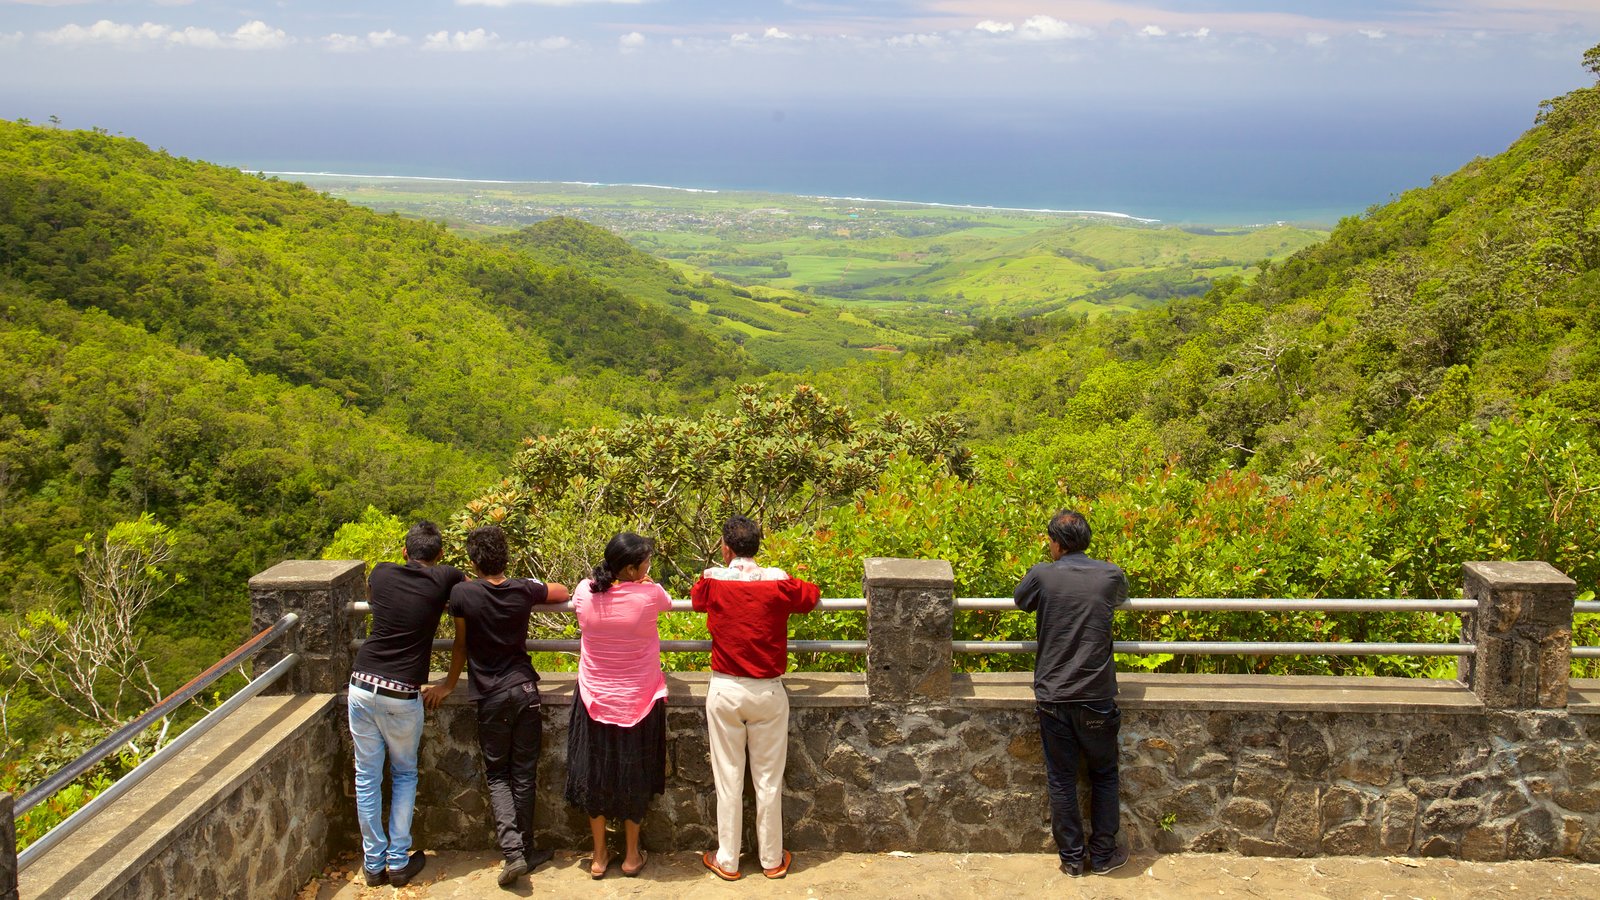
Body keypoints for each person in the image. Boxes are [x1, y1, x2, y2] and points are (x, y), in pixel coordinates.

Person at [425, 525, 570, 887]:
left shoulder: (461, 594)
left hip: (490, 696)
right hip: (524, 690)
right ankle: (526, 848)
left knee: (498, 775)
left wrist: (446, 682)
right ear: (505, 557)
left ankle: (513, 852)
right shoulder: (522, 588)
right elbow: (563, 591)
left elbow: (460, 645)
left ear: (474, 561)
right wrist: (531, 585)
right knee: (523, 773)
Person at [690, 515, 819, 881]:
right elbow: (811, 595)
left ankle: (728, 860)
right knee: (768, 779)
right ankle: (772, 859)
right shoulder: (778, 580)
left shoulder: (713, 580)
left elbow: (697, 600)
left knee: (727, 777)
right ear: (758, 546)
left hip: (726, 688)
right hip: (767, 690)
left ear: (725, 548)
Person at [1013, 509, 1130, 877]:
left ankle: (1072, 861)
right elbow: (1120, 597)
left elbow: (1021, 600)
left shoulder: (1042, 574)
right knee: (1105, 774)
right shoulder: (1110, 573)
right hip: (1097, 695)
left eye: (1050, 540)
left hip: (1054, 695)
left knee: (1062, 778)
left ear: (1057, 543)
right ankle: (1104, 855)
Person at [348, 521, 464, 888]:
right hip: (402, 693)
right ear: (440, 554)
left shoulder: (381, 574)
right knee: (403, 774)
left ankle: (372, 862)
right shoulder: (446, 576)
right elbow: (462, 589)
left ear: (404, 552)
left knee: (367, 777)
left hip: (362, 684)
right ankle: (397, 861)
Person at [564, 532, 672, 879]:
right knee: (634, 777)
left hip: (594, 699)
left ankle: (598, 857)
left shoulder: (585, 591)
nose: (649, 567)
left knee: (595, 777)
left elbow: (584, 596)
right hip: (639, 701)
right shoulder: (650, 594)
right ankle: (630, 856)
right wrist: (647, 583)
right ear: (630, 568)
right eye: (645, 563)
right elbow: (668, 602)